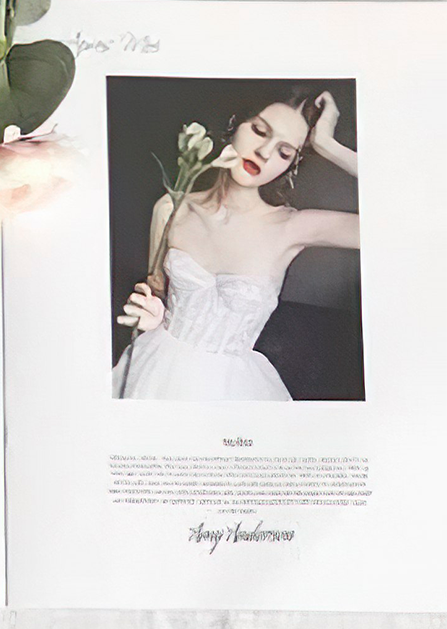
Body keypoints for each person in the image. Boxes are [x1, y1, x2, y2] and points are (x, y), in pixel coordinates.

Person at [114, 90, 359, 401]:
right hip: (157, 370)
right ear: (234, 125)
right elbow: (156, 293)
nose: (265, 153)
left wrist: (328, 145)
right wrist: (153, 315)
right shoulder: (171, 208)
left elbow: (403, 222)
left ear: (291, 165)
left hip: (235, 390)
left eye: (284, 152)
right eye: (259, 130)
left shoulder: (292, 227)